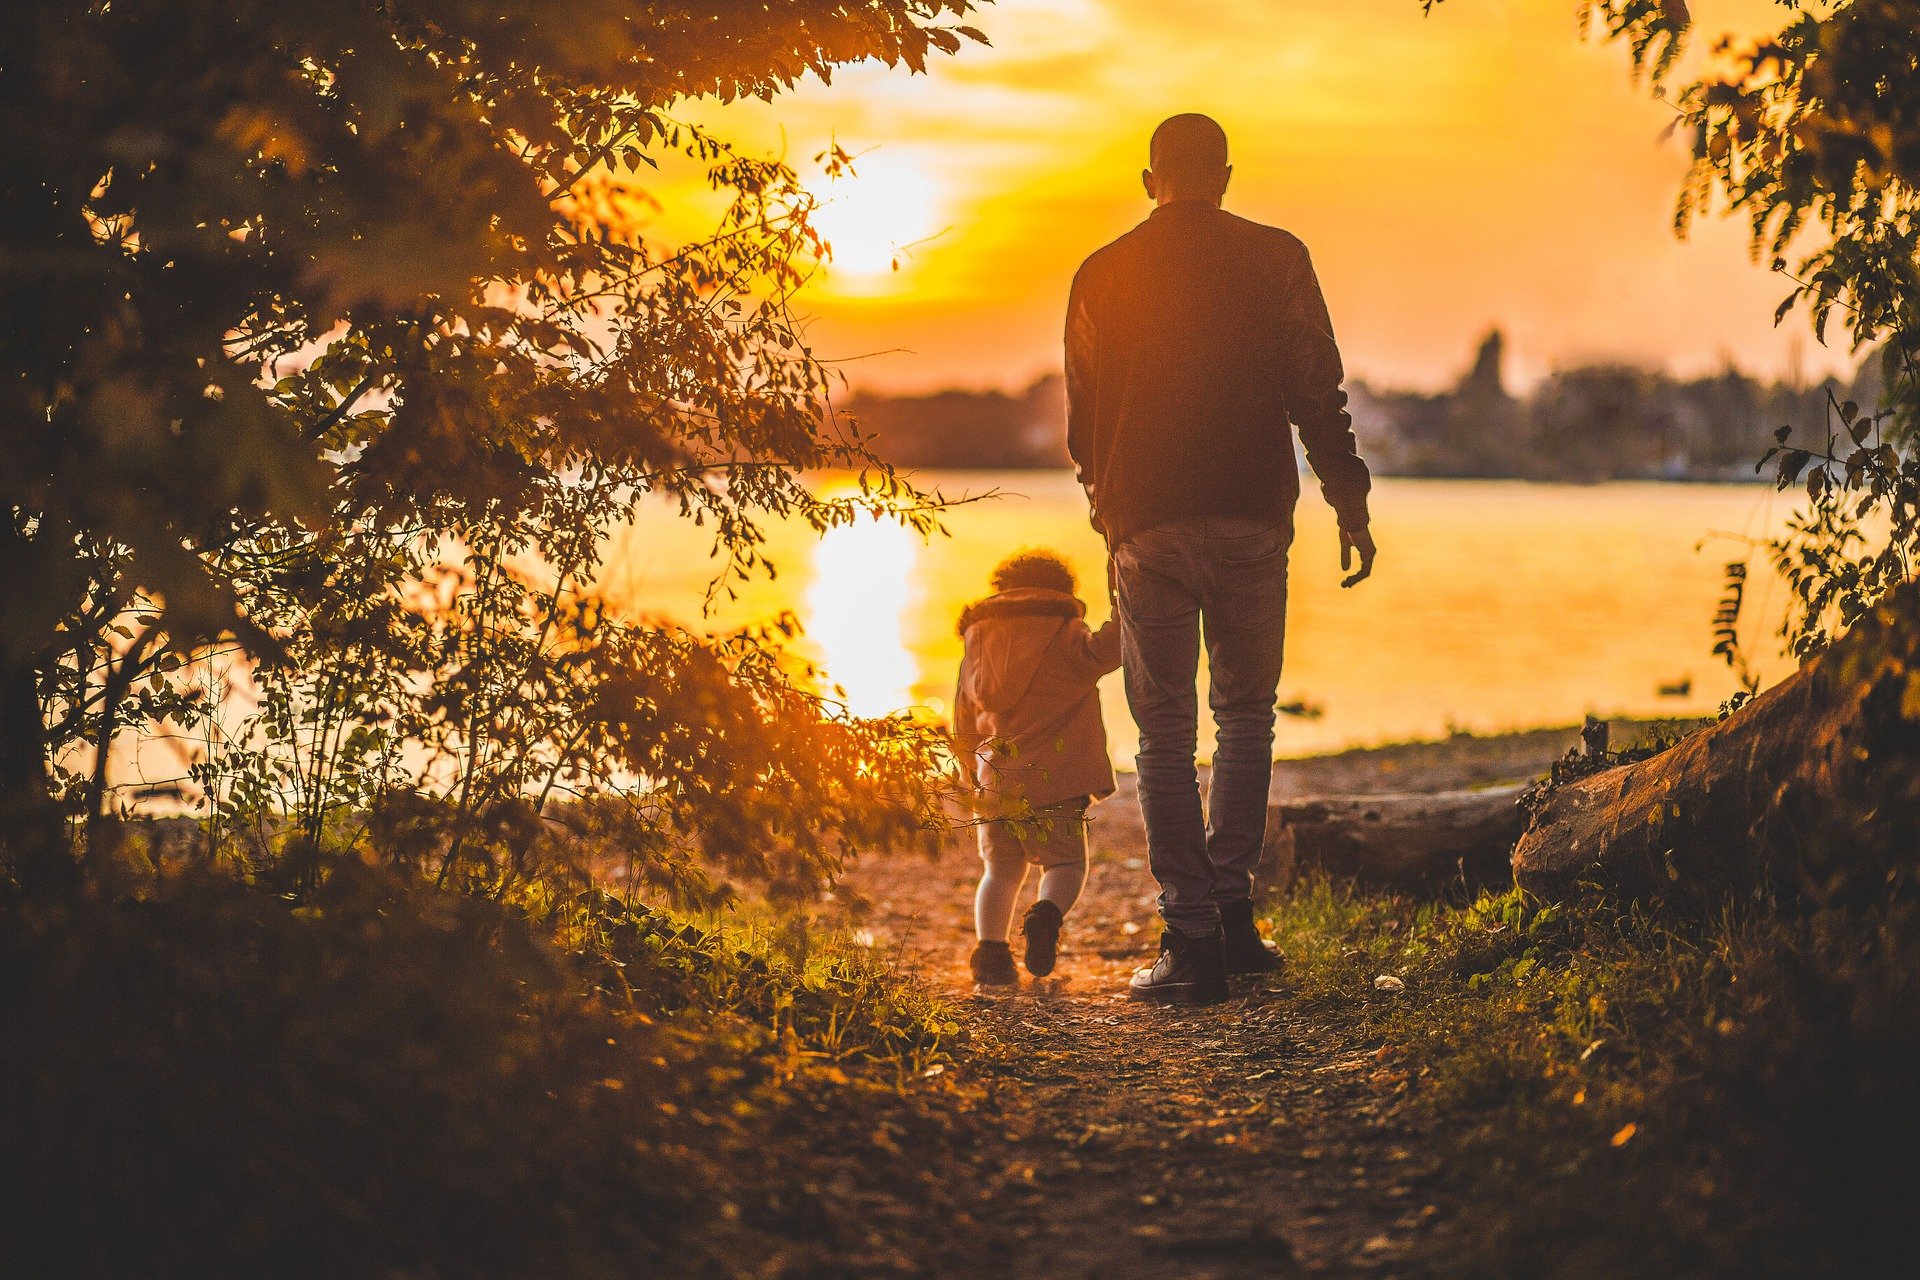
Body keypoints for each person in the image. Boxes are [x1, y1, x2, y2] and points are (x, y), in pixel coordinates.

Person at [1065, 113, 1377, 1005]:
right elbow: (1318, 389)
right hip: (1249, 511)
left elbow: (1085, 415)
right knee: (1246, 716)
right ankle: (1233, 919)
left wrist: (1105, 508)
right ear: (1227, 176)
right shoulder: (1277, 257)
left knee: (1163, 734)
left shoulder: (1102, 271)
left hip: (1147, 521)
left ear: (1147, 178)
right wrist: (1346, 497)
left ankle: (1191, 936)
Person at [952, 550, 1123, 987]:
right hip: (1057, 778)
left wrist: (970, 772)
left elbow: (962, 716)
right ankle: (1046, 915)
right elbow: (1114, 646)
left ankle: (990, 953)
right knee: (1064, 865)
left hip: (995, 781)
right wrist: (1124, 595)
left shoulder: (977, 639)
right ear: (1060, 590)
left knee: (1000, 871)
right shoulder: (1066, 633)